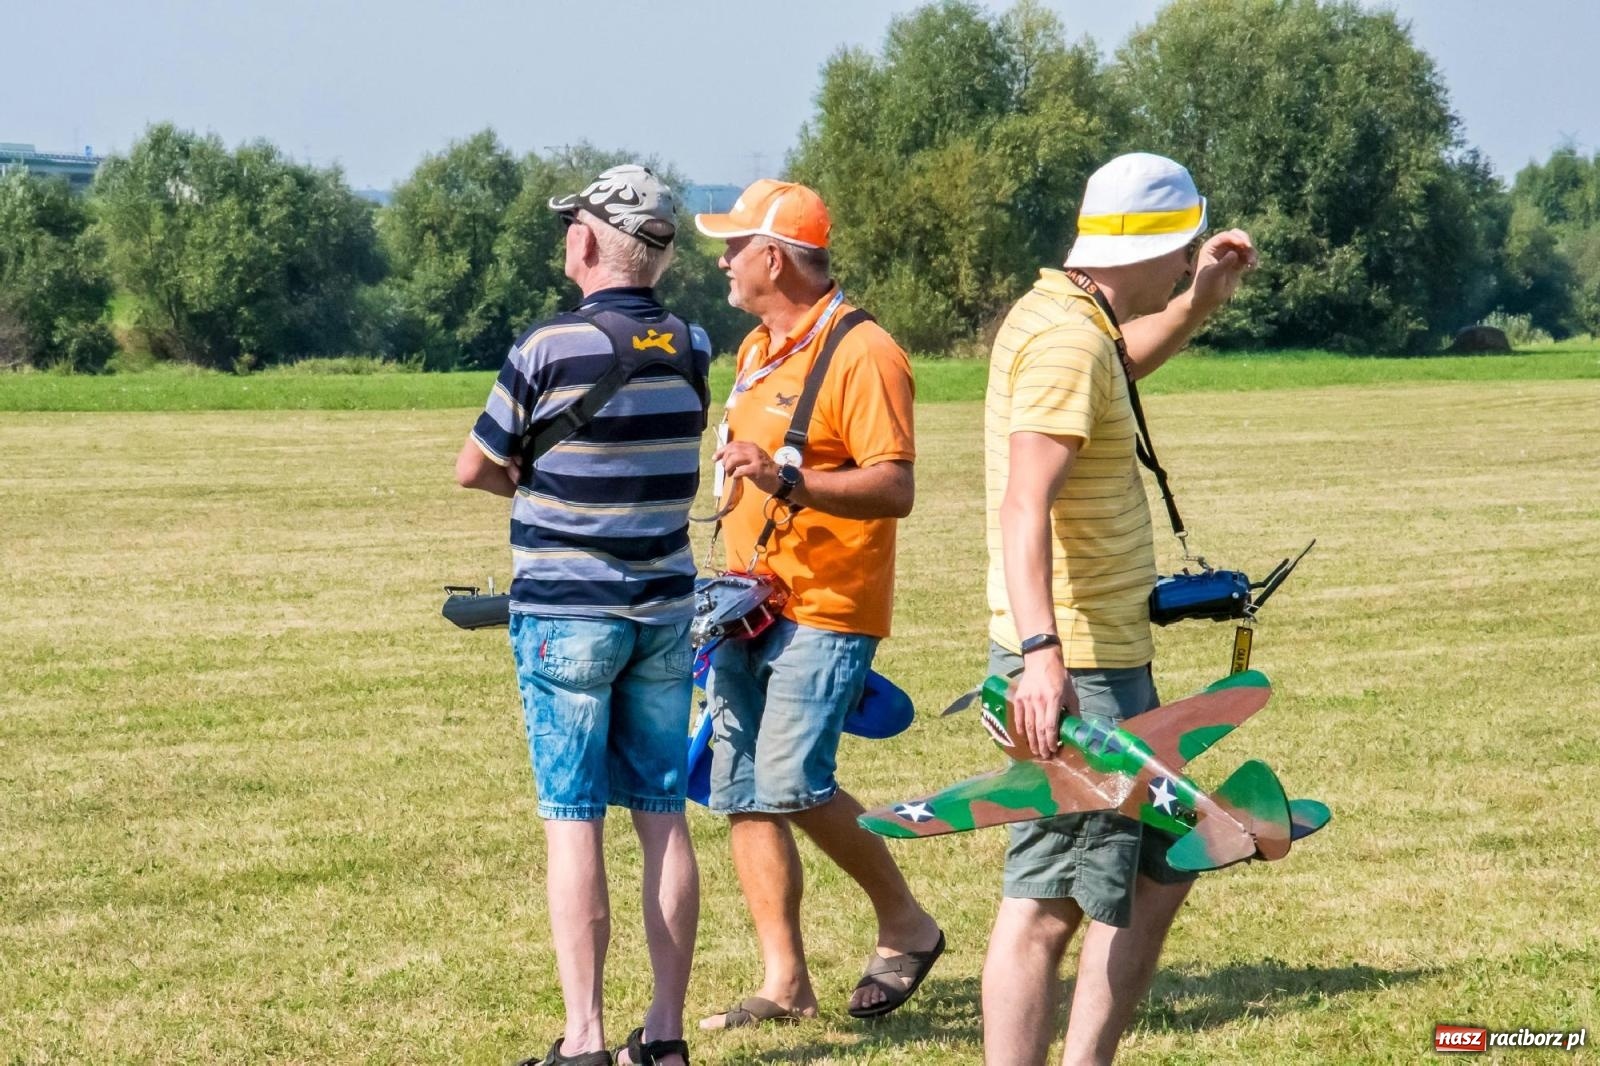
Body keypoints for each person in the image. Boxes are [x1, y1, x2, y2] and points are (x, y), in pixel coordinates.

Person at [980, 152, 1258, 1066]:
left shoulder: (1072, 319)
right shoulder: (1066, 340)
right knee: (1049, 903)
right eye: (1182, 254)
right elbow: (1027, 501)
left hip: (1105, 649)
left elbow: (1115, 365)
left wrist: (1201, 302)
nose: (1185, 266)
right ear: (1148, 245)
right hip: (1075, 663)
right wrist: (1040, 655)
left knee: (1165, 863)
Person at [455, 164, 711, 1066]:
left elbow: (475, 466)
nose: (566, 237)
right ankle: (668, 1034)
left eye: (573, 226)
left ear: (594, 242)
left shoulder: (546, 348)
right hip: (665, 608)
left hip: (568, 613)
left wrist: (533, 476)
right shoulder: (694, 344)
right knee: (662, 814)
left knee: (574, 819)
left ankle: (587, 1041)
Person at [690, 180, 944, 1030]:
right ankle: (784, 982)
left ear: (773, 257)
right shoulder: (756, 346)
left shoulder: (866, 352)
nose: (723, 261)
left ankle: (908, 924)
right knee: (739, 789)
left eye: (734, 247)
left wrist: (789, 478)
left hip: (826, 606)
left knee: (794, 781)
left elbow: (896, 486)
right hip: (741, 604)